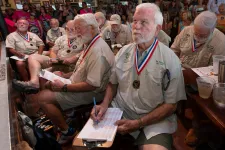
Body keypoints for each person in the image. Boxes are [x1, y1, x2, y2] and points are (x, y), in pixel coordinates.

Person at [91, 3, 186, 150]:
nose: (136, 26)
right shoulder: (123, 52)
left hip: (155, 119)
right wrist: (104, 104)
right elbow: (113, 83)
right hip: (120, 111)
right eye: (134, 21)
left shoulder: (170, 60)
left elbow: (171, 105)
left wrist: (138, 123)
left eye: (144, 22)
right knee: (87, 144)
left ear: (157, 29)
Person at [13, 14, 115, 145]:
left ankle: (67, 131)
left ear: (91, 28)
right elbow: (83, 69)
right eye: (75, 28)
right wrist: (65, 76)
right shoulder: (89, 43)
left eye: (79, 28)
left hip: (93, 93)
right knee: (48, 82)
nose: (76, 31)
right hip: (78, 82)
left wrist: (64, 87)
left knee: (43, 98)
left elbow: (92, 85)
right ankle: (63, 116)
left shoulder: (97, 50)